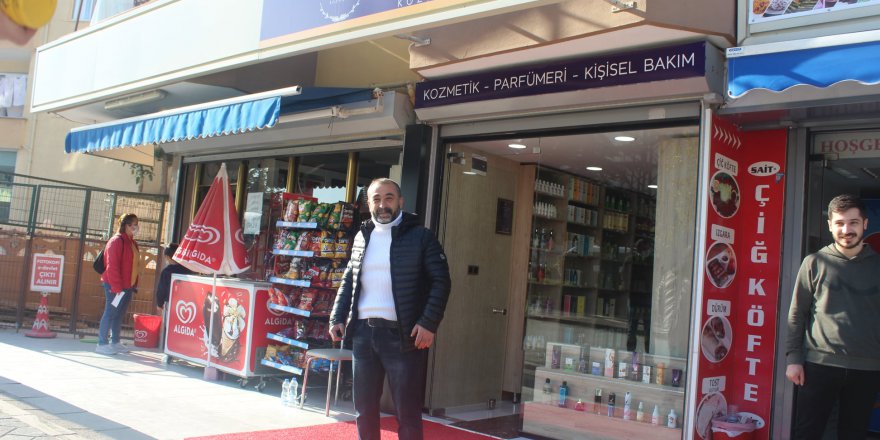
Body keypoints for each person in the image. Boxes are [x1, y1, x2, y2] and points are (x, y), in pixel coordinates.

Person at [329, 178, 451, 440]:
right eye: (376, 199)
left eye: (389, 198)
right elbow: (349, 279)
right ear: (369, 203)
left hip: (403, 337)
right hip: (363, 334)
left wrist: (428, 323)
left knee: (407, 413)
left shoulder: (421, 237)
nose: (382, 205)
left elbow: (441, 281)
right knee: (364, 410)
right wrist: (337, 316)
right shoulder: (362, 236)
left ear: (400, 201)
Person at [786, 194, 880, 440]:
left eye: (853, 222)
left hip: (867, 368)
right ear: (830, 225)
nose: (846, 230)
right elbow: (797, 313)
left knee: (854, 434)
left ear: (865, 223)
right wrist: (793, 358)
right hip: (819, 365)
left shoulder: (877, 267)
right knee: (807, 432)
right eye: (839, 223)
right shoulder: (814, 262)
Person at [96, 213, 141, 355]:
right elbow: (112, 266)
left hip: (127, 286)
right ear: (126, 225)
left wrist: (133, 284)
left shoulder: (131, 242)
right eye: (134, 224)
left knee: (119, 314)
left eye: (137, 224)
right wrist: (116, 287)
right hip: (115, 286)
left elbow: (134, 265)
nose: (136, 227)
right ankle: (101, 344)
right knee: (110, 312)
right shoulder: (116, 241)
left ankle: (115, 342)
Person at [155, 243, 192, 313]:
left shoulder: (167, 271)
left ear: (167, 257)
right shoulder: (187, 269)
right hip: (186, 302)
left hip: (170, 302)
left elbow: (161, 289)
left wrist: (159, 304)